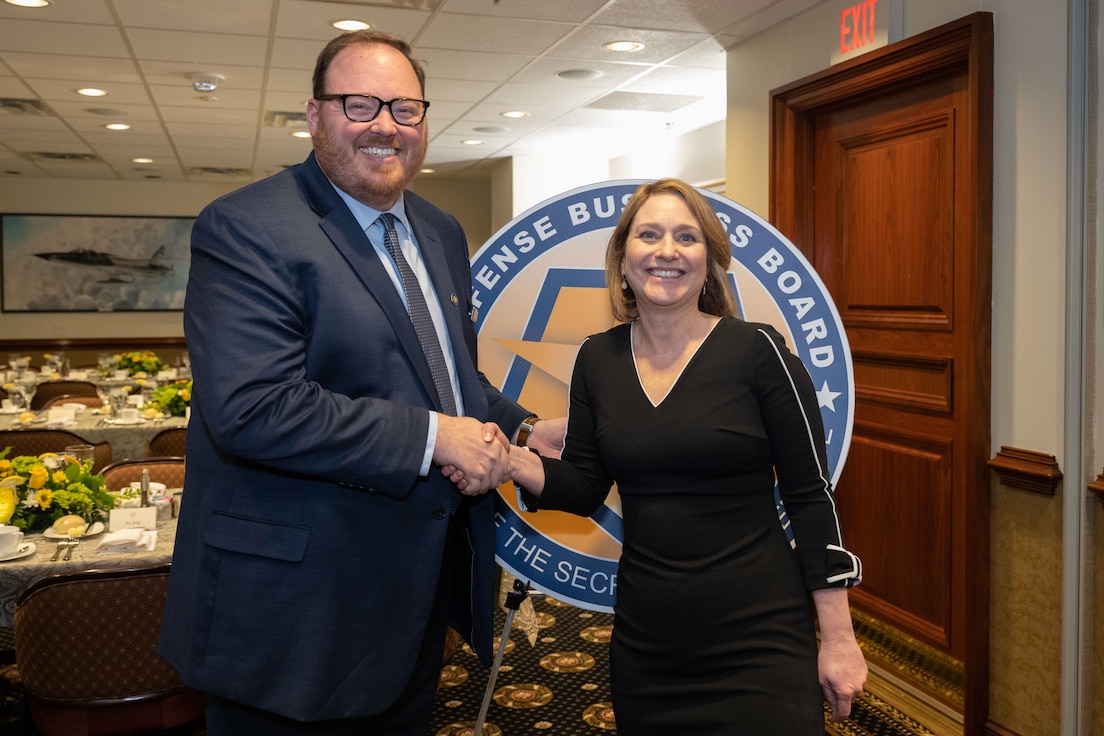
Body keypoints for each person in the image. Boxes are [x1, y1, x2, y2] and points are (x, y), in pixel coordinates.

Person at [159, 30, 562, 735]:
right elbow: (253, 409)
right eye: (360, 104)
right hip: (294, 612)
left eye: (405, 108)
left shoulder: (439, 231)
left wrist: (524, 427)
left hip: (412, 595)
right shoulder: (248, 227)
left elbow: (445, 376)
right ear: (314, 116)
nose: (384, 125)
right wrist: (440, 438)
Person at [479, 179, 868, 734]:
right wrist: (512, 460)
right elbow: (586, 485)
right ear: (622, 256)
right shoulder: (597, 358)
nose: (667, 251)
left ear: (708, 259)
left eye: (686, 237)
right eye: (650, 235)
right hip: (648, 646)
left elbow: (810, 499)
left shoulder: (759, 353)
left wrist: (839, 638)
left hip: (759, 641)